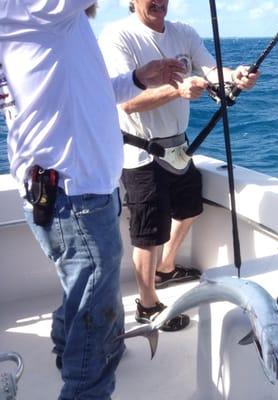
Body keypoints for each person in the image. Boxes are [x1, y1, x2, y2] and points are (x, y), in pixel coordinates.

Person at [0, 2, 186, 399]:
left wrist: (137, 78)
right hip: (74, 195)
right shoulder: (37, 7)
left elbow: (88, 89)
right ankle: (85, 383)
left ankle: (71, 349)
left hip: (69, 191)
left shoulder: (52, 23)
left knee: (84, 287)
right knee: (92, 304)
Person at [98, 0, 260, 331]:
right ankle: (147, 304)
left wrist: (235, 77)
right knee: (148, 234)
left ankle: (166, 268)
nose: (158, 1)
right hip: (141, 153)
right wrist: (177, 91)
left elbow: (210, 71)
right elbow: (126, 102)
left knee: (189, 210)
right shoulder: (118, 36)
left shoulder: (183, 32)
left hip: (178, 147)